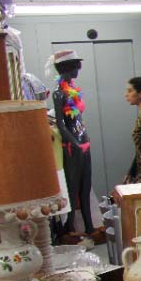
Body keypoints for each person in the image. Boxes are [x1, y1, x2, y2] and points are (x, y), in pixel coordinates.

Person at [51, 50, 95, 236]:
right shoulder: (58, 94)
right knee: (73, 189)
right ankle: (70, 229)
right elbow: (61, 124)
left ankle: (90, 227)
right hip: (72, 146)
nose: (79, 68)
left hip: (84, 141)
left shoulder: (74, 91)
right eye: (76, 65)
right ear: (67, 67)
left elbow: (77, 120)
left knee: (85, 188)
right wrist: (75, 144)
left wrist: (84, 142)